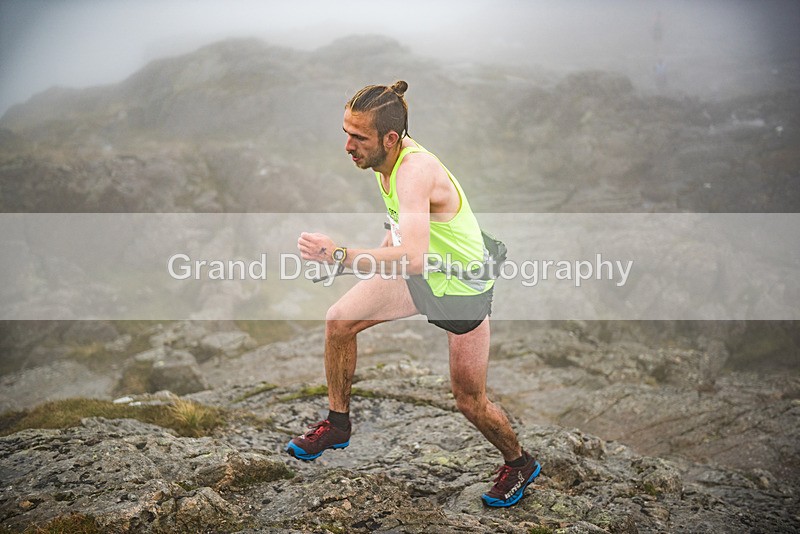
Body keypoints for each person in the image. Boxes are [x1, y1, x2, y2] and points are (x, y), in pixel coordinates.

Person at [285, 80, 540, 507]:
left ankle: (519, 463)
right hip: (419, 275)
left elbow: (416, 255)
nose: (348, 145)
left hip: (459, 287)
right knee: (338, 322)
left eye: (358, 137)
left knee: (468, 400)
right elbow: (400, 227)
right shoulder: (383, 157)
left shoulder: (415, 169)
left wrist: (340, 254)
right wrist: (360, 263)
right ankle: (338, 424)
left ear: (389, 137)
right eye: (346, 133)